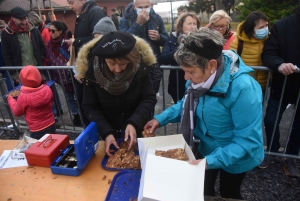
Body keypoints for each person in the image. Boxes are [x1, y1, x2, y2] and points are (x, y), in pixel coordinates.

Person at [144, 28, 264, 199]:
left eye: (190, 72)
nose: (186, 77)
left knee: (229, 192)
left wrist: (208, 162)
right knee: (201, 189)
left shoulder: (244, 88)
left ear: (212, 65)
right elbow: (185, 104)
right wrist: (160, 119)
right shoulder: (199, 80)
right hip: (207, 147)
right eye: (184, 70)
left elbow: (246, 141)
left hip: (237, 155)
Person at [79, 31, 157, 156]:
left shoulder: (141, 69)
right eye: (111, 63)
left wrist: (133, 123)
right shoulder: (91, 74)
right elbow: (90, 106)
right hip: (110, 130)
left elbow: (149, 98)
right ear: (104, 60)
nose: (117, 69)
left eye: (123, 64)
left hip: (138, 128)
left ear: (131, 58)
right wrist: (106, 132)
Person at [261, 6, 300, 176]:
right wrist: (279, 64)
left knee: (299, 125)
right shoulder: (283, 25)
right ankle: (272, 151)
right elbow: (268, 53)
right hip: (282, 85)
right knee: (270, 120)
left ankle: (291, 156)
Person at [64, 0, 106, 127]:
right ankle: (90, 130)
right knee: (85, 102)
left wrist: (75, 41)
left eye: (71, 2)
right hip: (84, 68)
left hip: (92, 69)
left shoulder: (95, 12)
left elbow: (100, 39)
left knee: (91, 103)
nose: (70, 7)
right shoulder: (84, 14)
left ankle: (98, 131)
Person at [119, 0, 168, 93]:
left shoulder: (157, 18)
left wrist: (159, 38)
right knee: (135, 95)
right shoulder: (125, 20)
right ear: (134, 7)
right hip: (133, 65)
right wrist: (138, 24)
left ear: (151, 6)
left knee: (152, 95)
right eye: (140, 7)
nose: (144, 10)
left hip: (153, 65)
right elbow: (123, 41)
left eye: (146, 7)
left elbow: (167, 40)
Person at [158, 12, 200, 103]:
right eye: (189, 24)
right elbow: (162, 58)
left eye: (195, 24)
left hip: (196, 82)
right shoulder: (172, 38)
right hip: (177, 83)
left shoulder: (201, 39)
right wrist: (175, 54)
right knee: (180, 108)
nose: (193, 27)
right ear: (181, 25)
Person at [45, 20, 81, 127]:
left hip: (72, 75)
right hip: (61, 77)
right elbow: (50, 58)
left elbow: (74, 57)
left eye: (53, 31)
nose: (50, 33)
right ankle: (76, 115)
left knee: (79, 96)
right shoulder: (50, 45)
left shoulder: (67, 42)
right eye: (49, 30)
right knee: (69, 97)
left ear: (60, 31)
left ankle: (84, 114)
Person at [7, 65, 56, 139]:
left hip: (36, 129)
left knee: (39, 148)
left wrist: (10, 99)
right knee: (53, 144)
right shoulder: (47, 88)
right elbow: (51, 101)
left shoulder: (23, 96)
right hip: (51, 123)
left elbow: (17, 112)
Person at [230, 11, 269, 98]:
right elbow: (231, 63)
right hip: (244, 86)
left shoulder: (270, 40)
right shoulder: (239, 42)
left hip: (263, 86)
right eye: (261, 27)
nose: (265, 29)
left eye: (266, 25)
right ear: (251, 29)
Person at [1, 7, 46, 80]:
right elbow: (6, 55)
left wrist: (40, 59)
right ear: (13, 19)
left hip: (37, 70)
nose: (24, 22)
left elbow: (42, 46)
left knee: (41, 90)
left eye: (25, 19)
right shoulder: (6, 33)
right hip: (21, 73)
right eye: (21, 20)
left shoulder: (33, 30)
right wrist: (14, 74)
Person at [75, 16, 117, 82]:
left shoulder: (121, 54)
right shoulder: (90, 53)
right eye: (95, 39)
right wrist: (84, 78)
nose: (97, 42)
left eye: (100, 39)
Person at [0, 19, 14, 91]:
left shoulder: (5, 37)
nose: (2, 29)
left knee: (10, 81)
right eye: (1, 28)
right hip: (4, 64)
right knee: (9, 82)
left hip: (7, 64)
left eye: (3, 27)